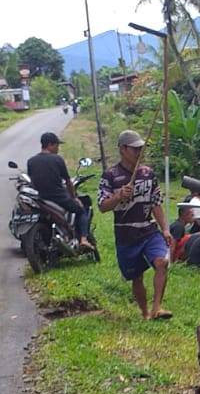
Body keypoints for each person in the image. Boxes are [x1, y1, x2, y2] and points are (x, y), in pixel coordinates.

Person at [98, 130, 173, 320]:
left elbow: (156, 203)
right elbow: (102, 206)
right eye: (134, 149)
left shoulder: (148, 173)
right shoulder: (110, 176)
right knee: (136, 277)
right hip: (126, 236)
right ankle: (145, 311)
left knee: (162, 263)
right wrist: (118, 196)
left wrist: (164, 229)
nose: (139, 152)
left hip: (148, 230)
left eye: (141, 148)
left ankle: (157, 307)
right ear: (123, 149)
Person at [27, 132, 94, 251]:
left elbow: (32, 182)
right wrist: (74, 198)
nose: (58, 148)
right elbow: (68, 182)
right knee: (81, 210)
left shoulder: (31, 161)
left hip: (41, 198)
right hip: (59, 198)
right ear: (50, 144)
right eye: (57, 145)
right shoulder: (57, 159)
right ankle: (83, 239)